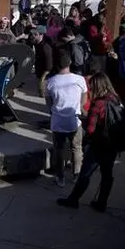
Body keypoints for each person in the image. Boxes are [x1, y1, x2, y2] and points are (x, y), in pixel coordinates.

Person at [56, 73, 122, 212]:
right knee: (107, 175)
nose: (90, 90)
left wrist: (85, 120)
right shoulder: (115, 99)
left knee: (85, 174)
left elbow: (91, 130)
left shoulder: (97, 105)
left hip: (98, 146)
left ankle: (73, 199)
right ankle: (101, 203)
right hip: (112, 145)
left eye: (91, 87)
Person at [46, 50, 87, 187]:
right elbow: (84, 97)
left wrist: (53, 112)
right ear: (70, 63)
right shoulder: (79, 79)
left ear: (57, 65)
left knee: (59, 149)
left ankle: (60, 177)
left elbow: (49, 102)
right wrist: (78, 107)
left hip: (58, 120)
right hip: (75, 119)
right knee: (76, 148)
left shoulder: (50, 82)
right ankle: (76, 175)